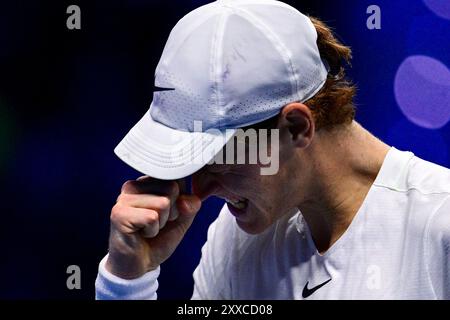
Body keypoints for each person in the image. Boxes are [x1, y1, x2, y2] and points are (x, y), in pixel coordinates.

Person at [95, 0, 450, 299]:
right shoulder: (233, 241)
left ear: (296, 127)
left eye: (219, 161)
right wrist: (126, 283)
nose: (199, 192)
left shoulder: (441, 225)